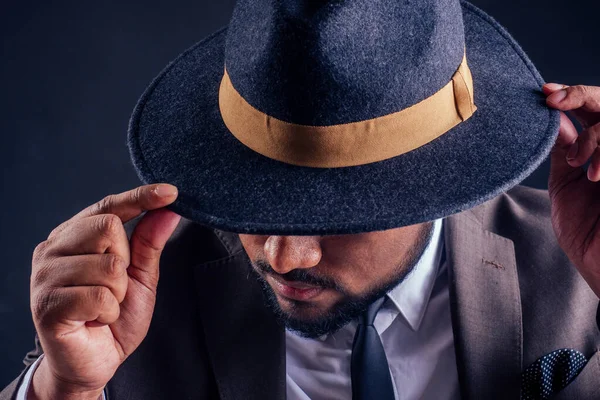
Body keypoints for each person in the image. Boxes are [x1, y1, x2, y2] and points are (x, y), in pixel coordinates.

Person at [2, 0, 600, 399]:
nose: (284, 258)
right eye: (258, 204)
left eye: (334, 217)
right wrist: (65, 389)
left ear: (434, 182)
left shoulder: (574, 264)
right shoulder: (142, 298)